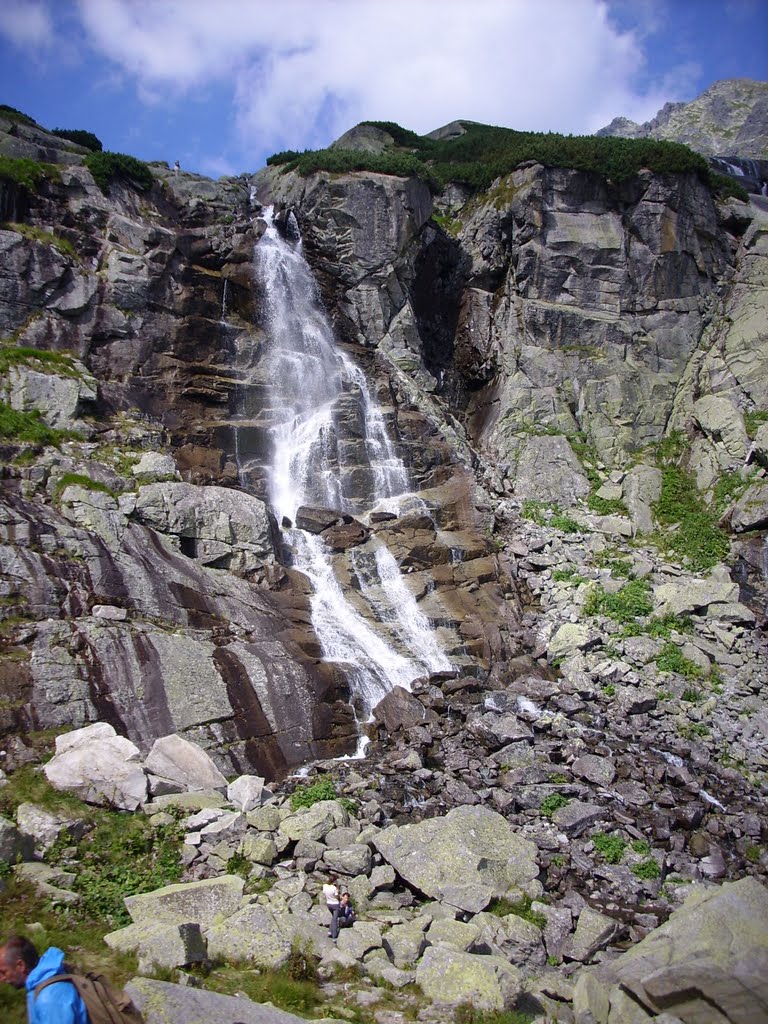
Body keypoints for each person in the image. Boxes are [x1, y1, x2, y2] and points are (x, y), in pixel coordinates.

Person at [0, 936, 88, 1024]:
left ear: (21, 965)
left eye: (3, 972)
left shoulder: (49, 998)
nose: (1, 979)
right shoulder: (42, 986)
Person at [322, 875, 341, 939]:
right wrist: (337, 888)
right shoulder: (334, 888)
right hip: (335, 904)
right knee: (335, 919)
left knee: (333, 917)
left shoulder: (324, 886)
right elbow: (337, 897)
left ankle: (330, 931)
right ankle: (334, 936)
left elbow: (324, 892)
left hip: (328, 903)